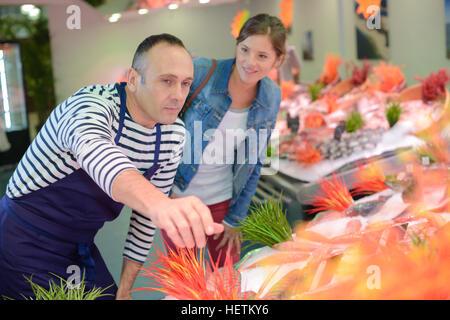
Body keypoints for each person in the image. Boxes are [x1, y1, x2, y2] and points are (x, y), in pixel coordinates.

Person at [0, 33, 223, 300]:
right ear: (132, 79)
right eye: (167, 81)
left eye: (186, 84)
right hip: (23, 239)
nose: (178, 95)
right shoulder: (89, 105)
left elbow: (144, 219)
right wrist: (161, 204)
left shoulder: (173, 134)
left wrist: (125, 288)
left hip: (79, 246)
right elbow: (98, 152)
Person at [163, 14, 287, 266]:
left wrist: (235, 218)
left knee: (227, 283)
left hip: (222, 202)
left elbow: (254, 163)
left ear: (279, 59)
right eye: (245, 49)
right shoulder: (201, 72)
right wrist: (163, 194)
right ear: (237, 44)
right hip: (179, 200)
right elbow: (158, 130)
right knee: (186, 285)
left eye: (262, 56)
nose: (249, 62)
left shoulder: (271, 96)